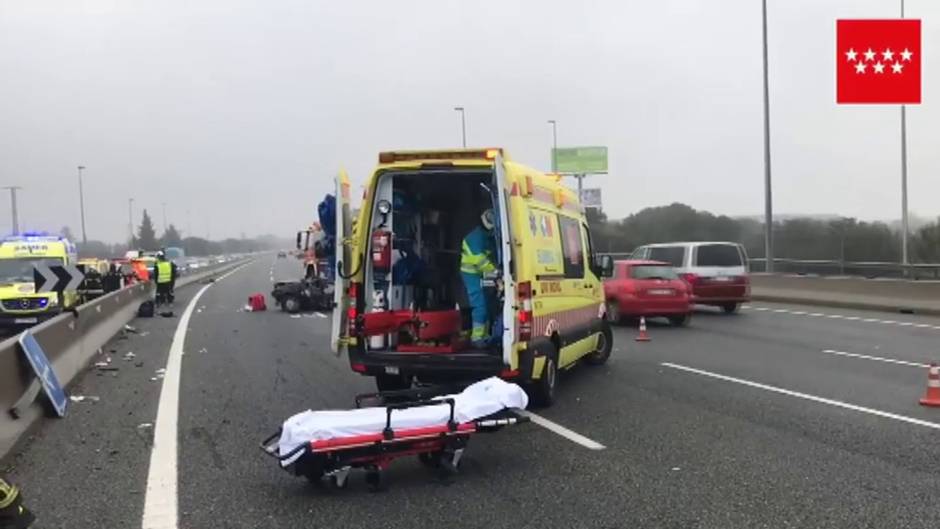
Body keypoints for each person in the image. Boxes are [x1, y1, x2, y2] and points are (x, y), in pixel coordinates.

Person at [460, 209, 499, 348]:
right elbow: (479, 260)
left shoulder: (486, 236)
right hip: (471, 275)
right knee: (480, 305)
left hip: (481, 274)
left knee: (488, 304)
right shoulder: (475, 238)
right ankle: (477, 338)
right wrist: (496, 272)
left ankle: (485, 335)